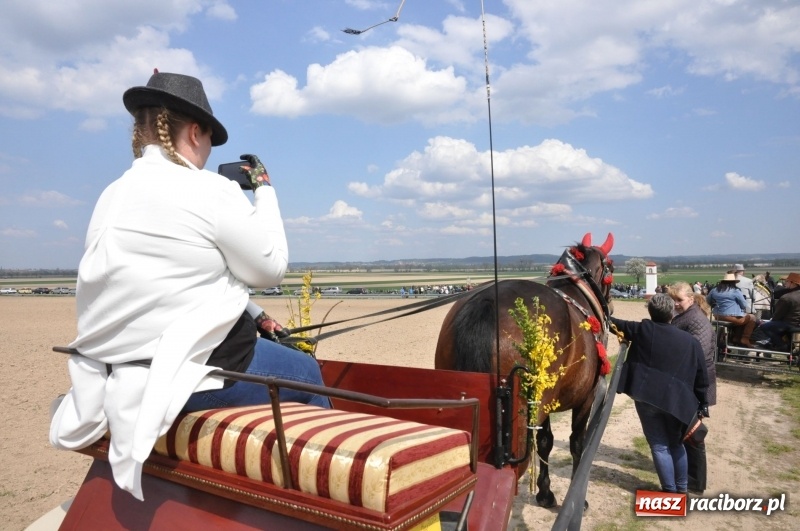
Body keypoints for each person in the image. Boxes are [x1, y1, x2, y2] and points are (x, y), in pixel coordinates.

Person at [49, 71, 329, 501]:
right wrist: (264, 192)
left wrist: (257, 316)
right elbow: (270, 268)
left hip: (110, 375)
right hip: (185, 377)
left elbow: (176, 284)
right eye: (210, 140)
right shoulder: (210, 189)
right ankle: (317, 505)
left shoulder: (112, 194)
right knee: (308, 374)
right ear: (196, 132)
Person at [611, 294, 709, 494]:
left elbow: (612, 323)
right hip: (676, 402)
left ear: (650, 311)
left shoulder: (642, 329)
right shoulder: (691, 342)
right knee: (676, 444)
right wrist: (703, 403)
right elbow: (702, 377)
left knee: (659, 445)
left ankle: (669, 490)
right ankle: (682, 489)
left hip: (646, 397)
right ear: (672, 313)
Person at [667, 282, 716, 494]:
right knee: (684, 431)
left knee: (693, 434)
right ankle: (685, 472)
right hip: (686, 381)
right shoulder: (686, 315)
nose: (676, 304)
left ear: (691, 298)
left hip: (695, 384)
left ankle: (695, 481)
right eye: (673, 300)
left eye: (679, 300)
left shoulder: (696, 320)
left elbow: (699, 356)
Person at [707, 273, 758, 347]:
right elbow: (744, 305)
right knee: (752, 318)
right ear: (733, 282)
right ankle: (745, 339)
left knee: (742, 318)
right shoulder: (735, 291)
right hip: (731, 317)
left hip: (717, 316)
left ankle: (736, 338)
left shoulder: (714, 290)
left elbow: (708, 301)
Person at [754, 272, 800, 351]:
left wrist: (771, 321)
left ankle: (781, 345)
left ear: (793, 283)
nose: (785, 283)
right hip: (797, 324)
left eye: (787, 281)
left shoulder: (786, 297)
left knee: (764, 326)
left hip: (789, 323)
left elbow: (778, 315)